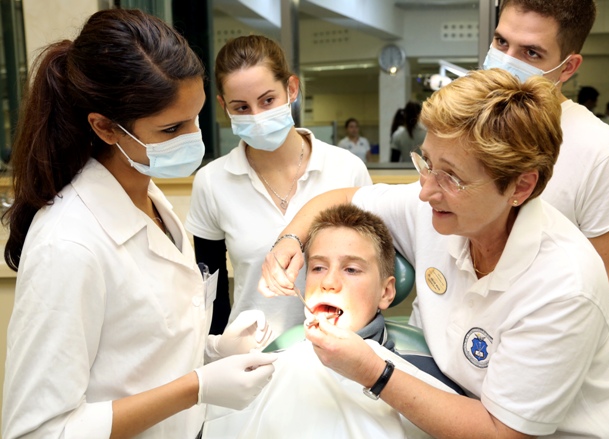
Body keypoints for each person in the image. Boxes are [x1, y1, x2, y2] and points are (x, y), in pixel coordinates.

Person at [261, 69, 609, 438]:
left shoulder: (563, 286)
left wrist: (372, 371)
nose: (426, 190)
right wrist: (290, 239)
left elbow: (502, 432)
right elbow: (341, 198)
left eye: (451, 177)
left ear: (521, 187)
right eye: (426, 163)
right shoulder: (437, 209)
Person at [1, 10, 277, 439]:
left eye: (196, 117)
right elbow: (39, 431)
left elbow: (137, 354)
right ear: (105, 128)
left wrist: (213, 351)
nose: (193, 138)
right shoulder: (68, 244)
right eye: (171, 128)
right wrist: (196, 387)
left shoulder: (149, 199)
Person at [204, 204, 461, 439]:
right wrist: (223, 357)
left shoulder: (423, 373)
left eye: (351, 269)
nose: (328, 282)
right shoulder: (279, 362)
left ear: (386, 292)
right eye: (318, 268)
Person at [185, 35, 371, 338]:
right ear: (223, 106)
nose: (257, 117)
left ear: (291, 89)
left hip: (338, 348)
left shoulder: (346, 169)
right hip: (251, 352)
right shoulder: (212, 181)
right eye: (241, 107)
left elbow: (373, 270)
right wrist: (220, 351)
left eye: (267, 100)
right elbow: (211, 290)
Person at [483, 0, 609, 343]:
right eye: (501, 42)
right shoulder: (469, 126)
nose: (506, 61)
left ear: (568, 67)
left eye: (531, 53)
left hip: (545, 348)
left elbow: (608, 289)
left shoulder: (602, 153)